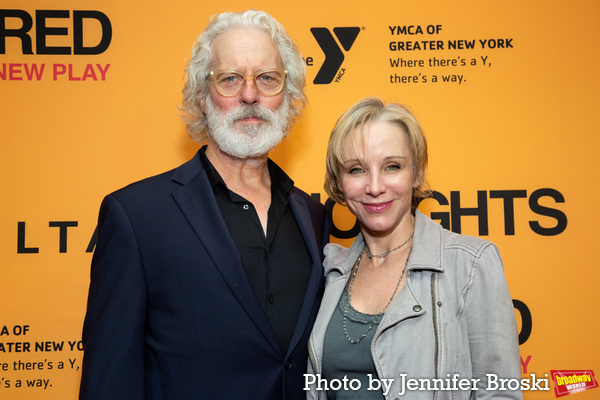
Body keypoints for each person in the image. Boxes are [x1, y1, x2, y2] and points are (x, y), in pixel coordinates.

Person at [79, 10, 329, 400]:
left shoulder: (312, 216)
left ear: (289, 95)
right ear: (201, 95)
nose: (250, 95)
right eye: (230, 79)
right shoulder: (137, 216)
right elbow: (109, 380)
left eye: (268, 78)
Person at [306, 97, 521, 399]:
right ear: (338, 182)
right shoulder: (329, 270)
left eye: (392, 166)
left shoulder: (469, 264)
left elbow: (500, 393)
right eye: (356, 170)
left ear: (417, 174)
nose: (375, 186)